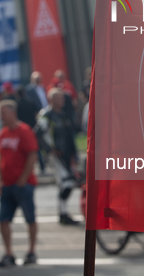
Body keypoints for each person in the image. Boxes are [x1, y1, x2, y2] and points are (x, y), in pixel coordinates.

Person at [0, 100, 38, 267]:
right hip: (7, 184)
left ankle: (32, 251)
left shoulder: (24, 131)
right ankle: (8, 253)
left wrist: (23, 178)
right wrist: (0, 180)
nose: (1, 116)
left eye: (3, 113)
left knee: (30, 218)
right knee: (3, 219)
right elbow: (0, 158)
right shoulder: (3, 133)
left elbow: (32, 155)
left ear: (13, 113)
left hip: (23, 184)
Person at [36, 88, 80, 225]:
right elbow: (37, 134)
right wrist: (50, 150)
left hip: (67, 154)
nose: (62, 100)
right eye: (59, 98)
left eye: (62, 98)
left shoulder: (64, 114)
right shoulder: (46, 115)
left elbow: (69, 135)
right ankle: (63, 214)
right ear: (51, 99)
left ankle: (63, 213)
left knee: (69, 183)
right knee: (66, 182)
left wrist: (74, 154)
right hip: (56, 156)